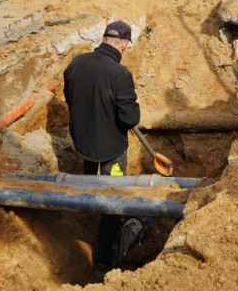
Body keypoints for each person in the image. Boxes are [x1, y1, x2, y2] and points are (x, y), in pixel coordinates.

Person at [64, 20, 143, 281]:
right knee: (113, 194)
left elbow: (70, 97)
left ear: (103, 38)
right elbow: (130, 119)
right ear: (123, 45)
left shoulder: (76, 63)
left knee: (90, 171)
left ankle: (87, 201)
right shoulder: (120, 75)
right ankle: (103, 259)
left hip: (83, 141)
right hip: (110, 148)